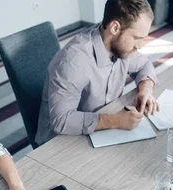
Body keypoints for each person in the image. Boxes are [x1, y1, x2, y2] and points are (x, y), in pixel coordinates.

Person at [35, 0, 159, 146]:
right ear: (115, 28)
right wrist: (116, 121)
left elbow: (144, 65)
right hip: (59, 143)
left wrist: (145, 90)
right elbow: (62, 121)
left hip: (100, 130)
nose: (140, 46)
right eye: (137, 38)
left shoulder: (121, 47)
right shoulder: (73, 62)